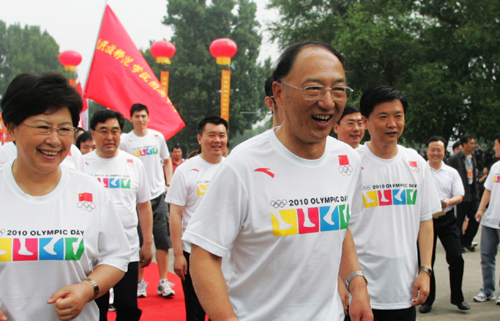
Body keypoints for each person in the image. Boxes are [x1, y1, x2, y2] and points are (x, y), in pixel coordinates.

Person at [183, 40, 372, 321]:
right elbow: (204, 255)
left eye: (338, 89)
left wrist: (356, 283)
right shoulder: (243, 164)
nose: (328, 101)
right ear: (279, 93)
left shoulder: (348, 160)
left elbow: (338, 226)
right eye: (314, 89)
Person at [0, 72, 130, 320]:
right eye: (43, 127)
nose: (54, 140)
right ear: (12, 129)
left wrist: (87, 289)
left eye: (64, 129)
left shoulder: (90, 192)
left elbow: (117, 254)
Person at [348, 85, 441, 321]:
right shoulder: (350, 165)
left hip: (403, 289)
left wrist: (426, 270)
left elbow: (425, 220)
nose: (393, 123)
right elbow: (340, 229)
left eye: (398, 116)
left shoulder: (415, 162)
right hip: (360, 291)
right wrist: (344, 282)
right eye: (383, 116)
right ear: (366, 121)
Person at [85, 110, 154, 320]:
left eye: (115, 131)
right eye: (103, 131)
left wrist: (147, 242)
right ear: (93, 133)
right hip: (92, 253)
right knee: (96, 309)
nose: (109, 137)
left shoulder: (133, 164)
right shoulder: (82, 164)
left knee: (127, 307)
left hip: (127, 250)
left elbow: (144, 205)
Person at [166, 116, 228, 321]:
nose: (217, 140)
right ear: (200, 138)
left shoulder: (232, 169)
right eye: (212, 135)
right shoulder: (185, 170)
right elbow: (175, 215)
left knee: (224, 310)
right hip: (194, 252)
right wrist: (178, 255)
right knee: (196, 311)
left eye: (222, 135)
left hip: (226, 252)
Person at [119, 103, 175, 298]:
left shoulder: (157, 137)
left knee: (162, 239)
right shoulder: (125, 141)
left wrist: (168, 183)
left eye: (143, 116)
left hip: (158, 195)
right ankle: (140, 282)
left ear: (148, 117)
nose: (140, 119)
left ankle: (163, 280)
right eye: (137, 116)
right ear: (131, 118)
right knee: (139, 241)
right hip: (136, 198)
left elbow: (167, 160)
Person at [419, 136, 469, 313]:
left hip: (447, 219)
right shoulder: (419, 170)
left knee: (456, 257)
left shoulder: (451, 172)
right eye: (432, 149)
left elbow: (460, 195)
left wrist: (447, 202)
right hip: (426, 220)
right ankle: (427, 299)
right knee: (426, 261)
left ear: (444, 152)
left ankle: (457, 297)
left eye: (439, 150)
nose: (435, 153)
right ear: (427, 151)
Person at [473, 132, 500, 304]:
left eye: (496, 144)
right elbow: (488, 190)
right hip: (491, 220)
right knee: (486, 257)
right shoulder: (496, 167)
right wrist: (481, 209)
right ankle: (487, 290)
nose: (494, 148)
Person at [447, 134, 480, 252]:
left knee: (476, 216)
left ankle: (467, 240)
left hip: (472, 191)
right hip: (461, 192)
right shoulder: (455, 158)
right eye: (471, 143)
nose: (473, 145)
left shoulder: (472, 157)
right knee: (459, 220)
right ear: (464, 144)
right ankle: (459, 243)